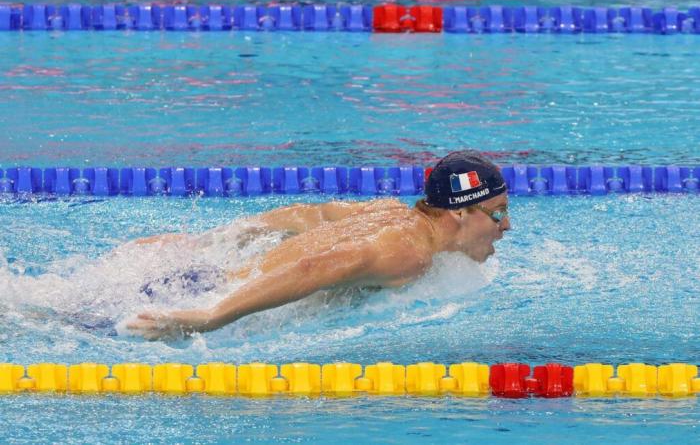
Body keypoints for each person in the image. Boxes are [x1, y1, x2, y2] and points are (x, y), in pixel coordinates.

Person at [126, 151, 511, 340]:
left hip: (203, 276)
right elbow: (315, 267)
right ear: (459, 212)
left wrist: (207, 241)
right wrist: (211, 316)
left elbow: (315, 215)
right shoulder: (409, 254)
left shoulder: (390, 211)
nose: (506, 226)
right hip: (204, 295)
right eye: (497, 213)